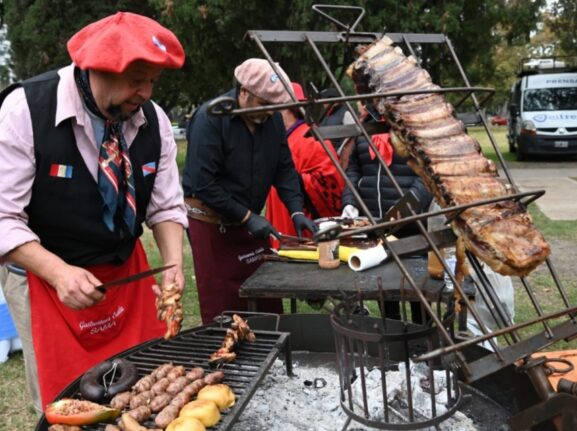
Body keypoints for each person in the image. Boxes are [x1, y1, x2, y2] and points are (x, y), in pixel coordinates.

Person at [0, 12, 187, 410]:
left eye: (153, 80)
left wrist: (173, 263)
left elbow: (166, 203)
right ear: (95, 67)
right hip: (43, 278)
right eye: (136, 78)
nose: (145, 92)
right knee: (64, 399)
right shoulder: (26, 110)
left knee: (144, 385)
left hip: (127, 272)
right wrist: (58, 273)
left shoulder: (153, 120)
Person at [182, 59, 317, 324]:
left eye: (273, 106)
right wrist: (247, 217)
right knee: (225, 310)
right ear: (243, 91)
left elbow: (284, 169)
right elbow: (203, 183)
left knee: (266, 299)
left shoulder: (273, 121)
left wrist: (296, 210)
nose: (268, 112)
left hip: (249, 225)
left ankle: (272, 353)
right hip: (212, 226)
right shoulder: (210, 117)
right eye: (263, 104)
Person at [340, 99, 433, 320]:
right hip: (375, 228)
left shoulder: (414, 125)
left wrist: (407, 205)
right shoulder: (365, 127)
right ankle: (394, 346)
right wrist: (350, 202)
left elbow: (427, 174)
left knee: (418, 294)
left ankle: (422, 343)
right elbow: (354, 169)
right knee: (384, 291)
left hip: (413, 227)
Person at [265, 82, 344, 248]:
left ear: (289, 107)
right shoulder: (280, 138)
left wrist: (294, 181)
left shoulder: (311, 138)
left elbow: (332, 183)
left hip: (304, 226)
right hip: (281, 218)